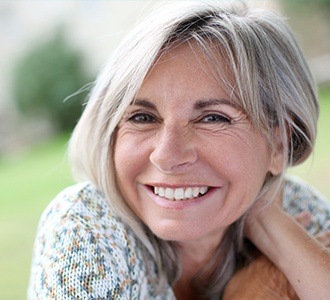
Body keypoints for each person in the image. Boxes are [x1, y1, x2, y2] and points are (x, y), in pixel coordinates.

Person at [28, 1, 330, 299]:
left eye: (213, 118)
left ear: (280, 144)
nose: (166, 156)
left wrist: (270, 227)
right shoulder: (87, 228)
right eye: (142, 117)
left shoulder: (297, 209)